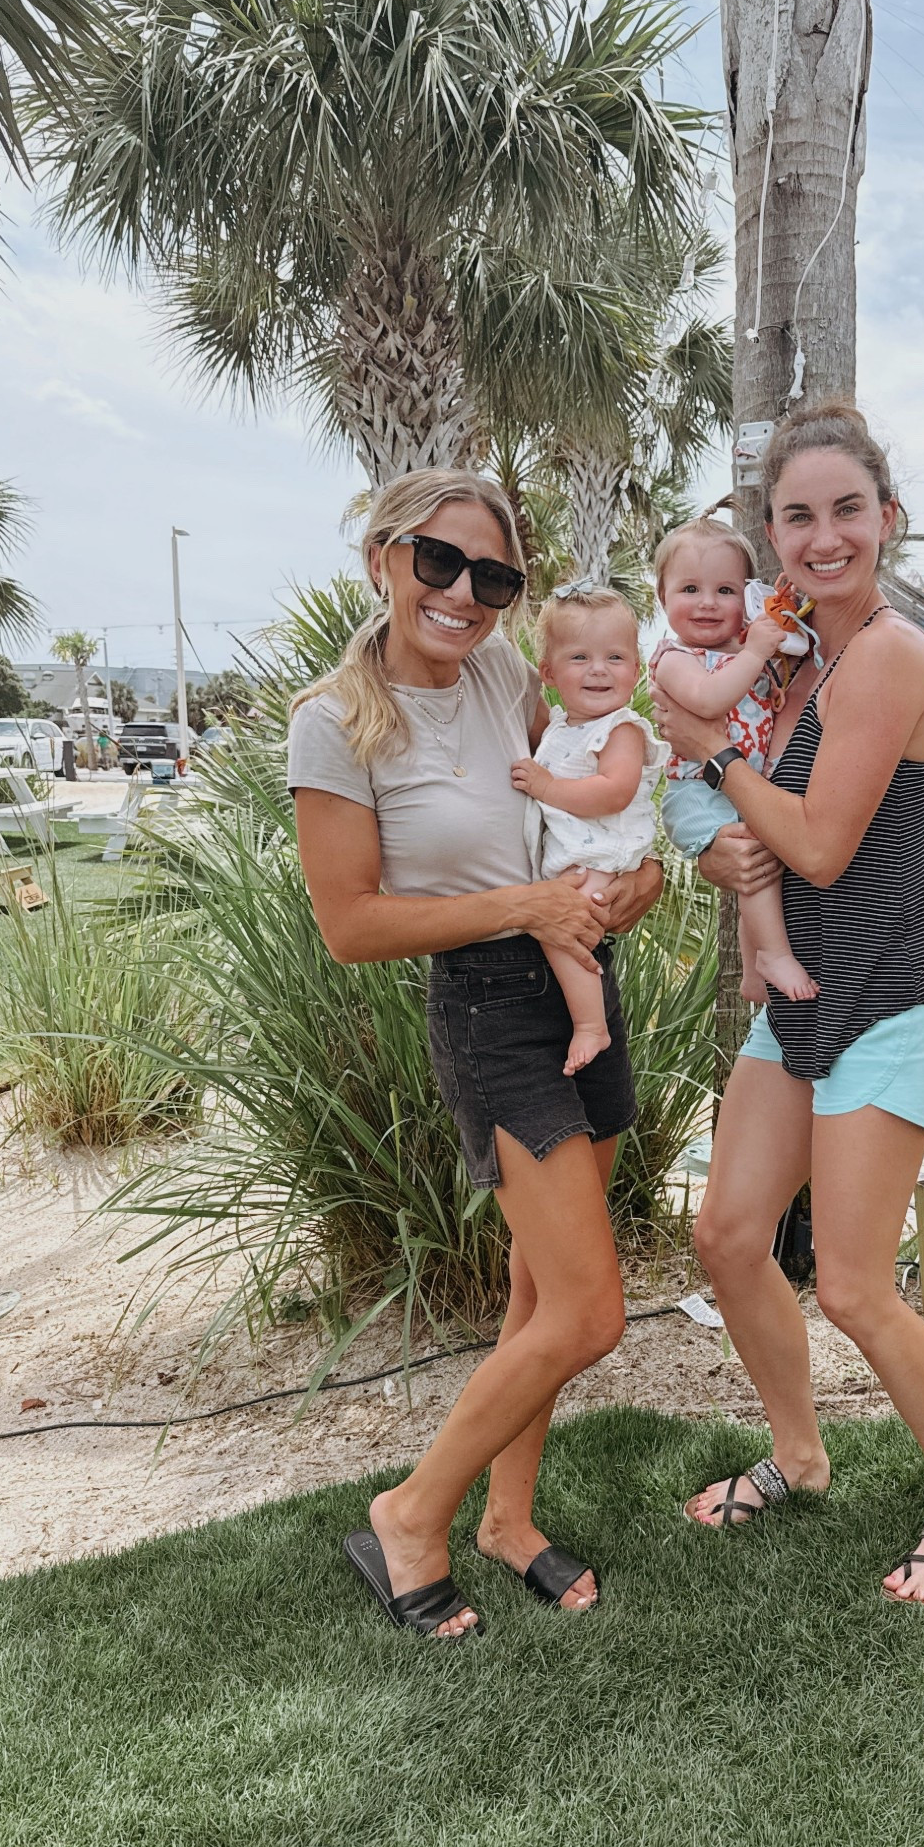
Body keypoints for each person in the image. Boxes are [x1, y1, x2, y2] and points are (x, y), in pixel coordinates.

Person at [287, 469, 663, 1640]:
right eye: (438, 561)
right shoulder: (334, 721)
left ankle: (508, 1517)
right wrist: (525, 909)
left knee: (540, 1290)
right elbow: (351, 924)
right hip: (492, 1010)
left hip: (580, 981)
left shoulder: (505, 673)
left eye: (492, 576)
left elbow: (583, 815)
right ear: (383, 559)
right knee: (590, 1313)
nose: (462, 594)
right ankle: (411, 1512)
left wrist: (639, 879)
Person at [653, 402, 924, 1606]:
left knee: (853, 1281)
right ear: (772, 532)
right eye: (797, 515)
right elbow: (755, 844)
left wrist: (709, 758)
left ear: (887, 518)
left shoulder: (892, 656)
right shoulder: (794, 663)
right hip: (803, 994)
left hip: (891, 993)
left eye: (847, 509)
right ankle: (800, 1454)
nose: (824, 535)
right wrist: (711, 842)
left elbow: (814, 842)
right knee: (726, 1233)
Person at [650, 515, 816, 1004]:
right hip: (698, 792)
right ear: (662, 596)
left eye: (725, 590)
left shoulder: (742, 650)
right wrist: (755, 653)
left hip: (731, 784)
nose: (707, 602)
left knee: (757, 875)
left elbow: (771, 673)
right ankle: (774, 956)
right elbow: (707, 701)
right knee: (756, 863)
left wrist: (777, 623)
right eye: (690, 589)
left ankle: (754, 971)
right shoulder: (675, 659)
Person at [509, 584, 662, 1074]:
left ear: (635, 669)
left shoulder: (621, 729)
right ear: (548, 673)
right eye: (580, 657)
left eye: (615, 657)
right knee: (560, 930)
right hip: (577, 852)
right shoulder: (560, 726)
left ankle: (592, 1024)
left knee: (563, 931)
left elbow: (614, 791)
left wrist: (548, 787)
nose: (599, 669)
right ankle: (586, 1020)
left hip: (602, 853)